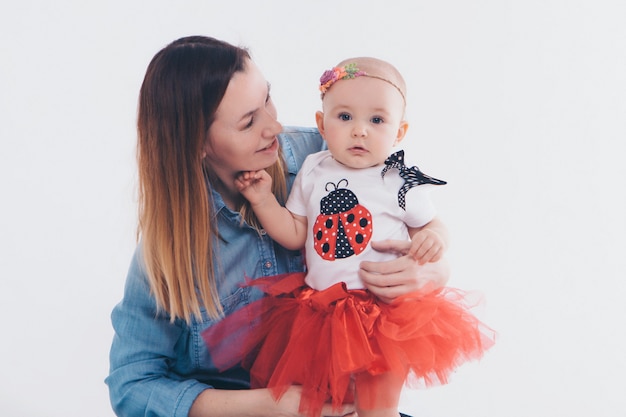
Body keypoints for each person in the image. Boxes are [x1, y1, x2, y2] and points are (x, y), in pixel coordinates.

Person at [105, 36, 453, 417]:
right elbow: (132, 385)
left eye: (267, 99)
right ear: (199, 144)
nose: (275, 125)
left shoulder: (328, 151)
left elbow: (414, 223)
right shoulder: (170, 246)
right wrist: (272, 406)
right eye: (249, 121)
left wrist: (431, 270)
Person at [203, 57, 495, 417]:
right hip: (321, 313)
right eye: (345, 117)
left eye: (376, 120)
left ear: (399, 133)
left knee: (375, 406)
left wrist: (435, 241)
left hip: (383, 314)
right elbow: (295, 234)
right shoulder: (313, 168)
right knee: (327, 403)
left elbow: (430, 225)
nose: (360, 131)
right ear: (322, 124)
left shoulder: (398, 178)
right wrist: (263, 200)